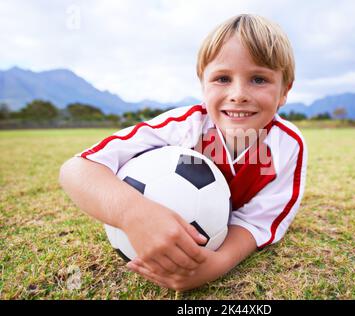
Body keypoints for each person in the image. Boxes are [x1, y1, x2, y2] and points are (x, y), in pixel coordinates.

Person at [59, 14, 308, 292]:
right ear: (203, 84)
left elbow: (256, 222)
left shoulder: (287, 145)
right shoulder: (184, 127)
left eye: (259, 79)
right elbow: (77, 169)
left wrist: (216, 264)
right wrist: (133, 213)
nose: (239, 94)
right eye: (223, 78)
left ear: (285, 90)